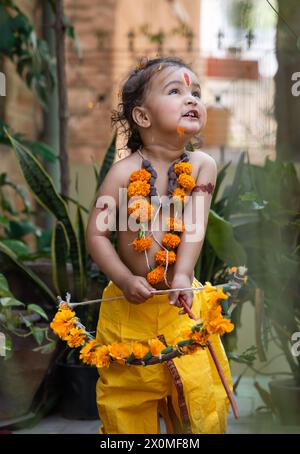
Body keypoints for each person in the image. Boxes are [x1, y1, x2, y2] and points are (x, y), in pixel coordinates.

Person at [86, 57, 232, 434]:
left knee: (198, 400)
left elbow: (196, 223)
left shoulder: (202, 166)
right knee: (127, 403)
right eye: (176, 90)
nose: (191, 98)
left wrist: (183, 272)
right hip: (130, 307)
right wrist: (122, 278)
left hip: (180, 302)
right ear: (143, 117)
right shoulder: (122, 172)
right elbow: (97, 234)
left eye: (196, 92)